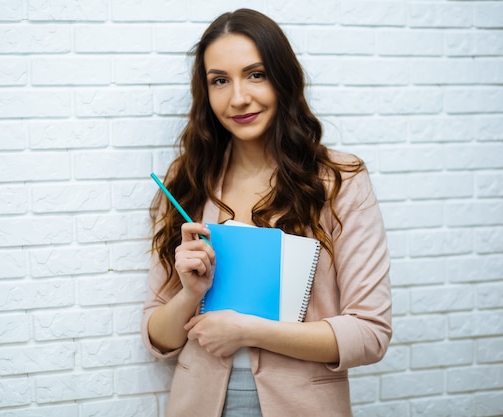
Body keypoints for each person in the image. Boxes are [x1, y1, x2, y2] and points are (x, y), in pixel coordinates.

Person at [141, 8, 391, 417]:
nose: (238, 97)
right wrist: (190, 294)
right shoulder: (186, 181)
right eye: (219, 80)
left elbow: (370, 332)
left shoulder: (338, 180)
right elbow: (159, 339)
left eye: (255, 74)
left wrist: (246, 330)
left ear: (283, 77)